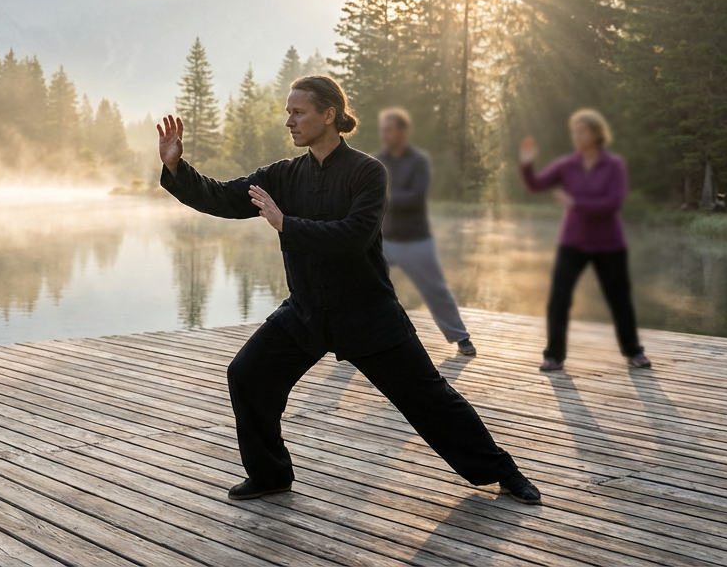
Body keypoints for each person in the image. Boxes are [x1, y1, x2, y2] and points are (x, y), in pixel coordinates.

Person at [158, 75, 542, 504]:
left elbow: (354, 237)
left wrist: (287, 224)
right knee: (248, 375)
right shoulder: (283, 175)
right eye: (288, 112)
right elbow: (222, 197)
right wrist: (177, 168)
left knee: (430, 399)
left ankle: (503, 472)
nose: (289, 121)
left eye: (298, 112)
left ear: (329, 115)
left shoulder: (367, 172)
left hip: (368, 313)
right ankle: (270, 475)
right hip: (306, 312)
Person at [519, 109, 651, 372]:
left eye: (582, 131)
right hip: (573, 242)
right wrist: (526, 164)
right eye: (574, 131)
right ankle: (554, 356)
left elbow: (612, 203)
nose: (576, 136)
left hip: (609, 243)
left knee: (619, 299)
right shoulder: (567, 165)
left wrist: (576, 203)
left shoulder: (614, 166)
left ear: (596, 133)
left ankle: (633, 352)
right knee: (559, 299)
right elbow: (535, 185)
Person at [374, 108, 475, 356]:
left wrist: (381, 198)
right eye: (382, 129)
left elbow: (415, 197)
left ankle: (460, 337)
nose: (384, 134)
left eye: (389, 129)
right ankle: (356, 339)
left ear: (402, 131)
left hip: (415, 240)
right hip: (383, 240)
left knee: (436, 289)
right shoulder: (377, 162)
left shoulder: (418, 161)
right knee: (363, 287)